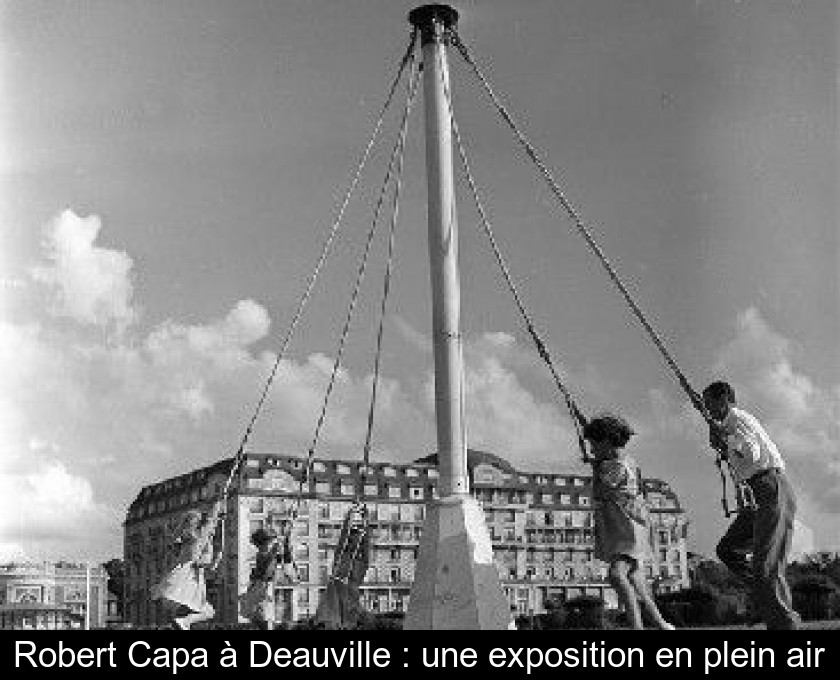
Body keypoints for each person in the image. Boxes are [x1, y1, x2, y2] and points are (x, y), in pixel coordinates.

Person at [702, 380, 800, 630]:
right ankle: (763, 600)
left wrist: (725, 436)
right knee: (729, 550)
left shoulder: (739, 421)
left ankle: (785, 624)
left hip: (771, 487)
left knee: (766, 564)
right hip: (758, 494)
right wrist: (723, 442)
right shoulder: (731, 425)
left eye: (709, 403)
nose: (706, 409)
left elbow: (752, 453)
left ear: (723, 399)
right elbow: (741, 455)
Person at [584, 413, 674, 630]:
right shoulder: (626, 462)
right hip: (629, 526)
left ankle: (637, 627)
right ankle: (662, 625)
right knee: (637, 582)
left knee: (617, 576)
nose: (591, 449)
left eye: (593, 444)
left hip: (627, 528)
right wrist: (596, 462)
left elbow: (600, 492)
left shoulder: (615, 467)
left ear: (606, 442)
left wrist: (595, 468)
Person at [152, 500, 223, 630]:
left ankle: (183, 623)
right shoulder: (199, 536)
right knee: (207, 612)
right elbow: (212, 520)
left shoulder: (185, 539)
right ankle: (185, 622)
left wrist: (213, 560)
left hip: (181, 574)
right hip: (191, 577)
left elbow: (202, 562)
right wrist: (218, 505)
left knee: (186, 610)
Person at [315, 503, 370, 629]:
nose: (351, 540)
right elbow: (345, 533)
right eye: (351, 538)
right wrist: (352, 514)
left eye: (354, 538)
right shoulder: (341, 556)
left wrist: (365, 518)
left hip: (347, 604)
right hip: (336, 603)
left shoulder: (359, 562)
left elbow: (365, 542)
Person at [239, 525, 281, 630]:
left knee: (263, 617)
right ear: (264, 544)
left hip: (263, 586)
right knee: (263, 617)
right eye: (271, 542)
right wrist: (273, 555)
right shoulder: (263, 555)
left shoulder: (265, 554)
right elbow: (266, 572)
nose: (273, 544)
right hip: (262, 586)